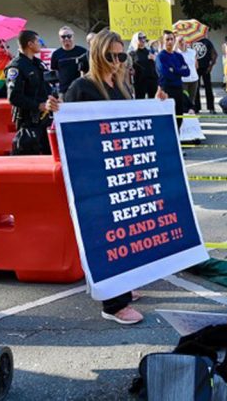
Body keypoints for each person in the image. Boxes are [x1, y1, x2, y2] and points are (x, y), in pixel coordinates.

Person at [46, 29, 161, 324]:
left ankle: (122, 283)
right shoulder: (81, 86)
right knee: (105, 233)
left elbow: (132, 121)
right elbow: (69, 128)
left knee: (126, 229)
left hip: (120, 170)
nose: (116, 61)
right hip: (96, 171)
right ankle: (113, 304)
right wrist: (56, 110)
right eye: (110, 55)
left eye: (121, 55)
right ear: (97, 55)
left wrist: (157, 106)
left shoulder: (121, 84)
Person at [5, 30, 51, 155]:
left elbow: (45, 86)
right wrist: (37, 106)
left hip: (45, 119)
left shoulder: (37, 64)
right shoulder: (16, 67)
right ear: (30, 44)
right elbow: (14, 97)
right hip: (29, 121)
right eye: (38, 41)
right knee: (29, 155)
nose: (40, 44)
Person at [155, 30, 190, 129]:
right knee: (168, 118)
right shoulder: (161, 57)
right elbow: (165, 73)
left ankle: (178, 139)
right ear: (163, 41)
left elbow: (187, 72)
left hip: (179, 88)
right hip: (166, 89)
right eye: (167, 39)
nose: (170, 41)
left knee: (179, 116)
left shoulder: (178, 56)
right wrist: (178, 70)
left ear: (174, 40)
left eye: (171, 39)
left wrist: (173, 70)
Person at [50, 26, 88, 96]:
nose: (66, 38)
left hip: (81, 89)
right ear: (60, 38)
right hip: (64, 91)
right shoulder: (56, 54)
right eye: (63, 36)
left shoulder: (83, 52)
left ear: (73, 37)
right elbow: (54, 72)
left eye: (69, 36)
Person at [192, 29, 218, 114]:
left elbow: (214, 54)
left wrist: (211, 65)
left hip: (206, 68)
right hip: (195, 68)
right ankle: (196, 107)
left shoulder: (206, 41)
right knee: (196, 88)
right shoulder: (191, 42)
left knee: (208, 88)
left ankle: (211, 107)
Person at [130, 32, 158, 99]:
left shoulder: (150, 51)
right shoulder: (132, 53)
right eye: (140, 38)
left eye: (144, 37)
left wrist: (155, 59)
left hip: (152, 81)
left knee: (153, 101)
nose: (143, 40)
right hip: (140, 82)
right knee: (140, 102)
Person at [177, 36, 199, 110]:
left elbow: (196, 65)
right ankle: (185, 114)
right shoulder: (176, 53)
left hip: (194, 79)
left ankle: (191, 115)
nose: (182, 43)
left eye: (182, 40)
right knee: (184, 99)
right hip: (183, 80)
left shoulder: (192, 52)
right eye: (179, 41)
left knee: (192, 99)